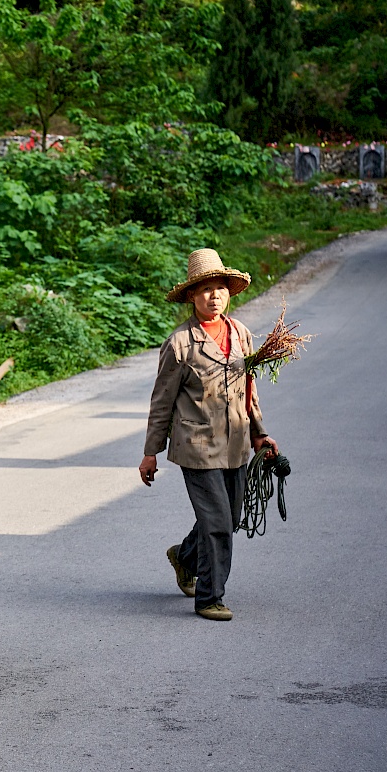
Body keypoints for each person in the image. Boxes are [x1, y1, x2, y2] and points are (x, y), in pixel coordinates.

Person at [139, 248, 278, 621]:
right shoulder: (180, 344)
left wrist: (260, 434)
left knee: (229, 517)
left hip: (235, 443)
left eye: (219, 288)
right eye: (204, 290)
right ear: (190, 297)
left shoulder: (241, 335)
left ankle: (184, 557)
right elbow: (161, 402)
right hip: (196, 445)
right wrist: (151, 452)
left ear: (229, 292)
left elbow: (250, 391)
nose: (213, 295)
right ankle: (209, 597)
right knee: (217, 522)